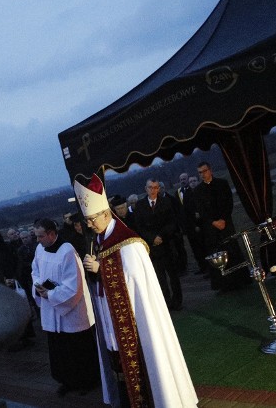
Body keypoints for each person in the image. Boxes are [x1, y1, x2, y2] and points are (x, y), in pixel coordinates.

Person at [74, 174, 197, 408]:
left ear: (105, 213)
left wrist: (101, 269)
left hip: (137, 326)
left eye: (91, 219)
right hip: (112, 323)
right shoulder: (100, 240)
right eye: (87, 220)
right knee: (118, 368)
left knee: (144, 370)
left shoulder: (129, 242)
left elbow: (134, 283)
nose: (89, 225)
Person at [31, 218, 99, 397]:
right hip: (51, 309)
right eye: (36, 236)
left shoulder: (67, 251)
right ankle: (66, 380)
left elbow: (74, 284)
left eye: (40, 236)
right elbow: (35, 271)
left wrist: (51, 294)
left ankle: (88, 380)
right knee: (59, 350)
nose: (37, 240)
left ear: (52, 234)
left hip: (72, 310)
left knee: (78, 348)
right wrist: (38, 286)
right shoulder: (39, 249)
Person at [194, 162, 250, 290]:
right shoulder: (197, 191)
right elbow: (201, 210)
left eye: (205, 171)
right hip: (211, 227)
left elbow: (228, 203)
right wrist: (213, 222)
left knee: (232, 249)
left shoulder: (222, 183)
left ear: (210, 170)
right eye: (200, 172)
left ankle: (240, 279)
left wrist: (223, 219)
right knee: (216, 253)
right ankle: (223, 284)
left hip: (226, 224)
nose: (203, 174)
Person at [133, 178, 183, 310]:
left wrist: (161, 236)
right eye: (150, 187)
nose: (153, 190)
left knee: (173, 276)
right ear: (146, 189)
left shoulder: (167, 202)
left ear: (159, 189)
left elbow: (172, 222)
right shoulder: (140, 205)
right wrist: (152, 238)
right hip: (152, 248)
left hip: (167, 244)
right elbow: (139, 226)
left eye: (155, 187)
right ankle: (165, 302)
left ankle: (177, 301)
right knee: (159, 278)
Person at [176, 173, 207, 275]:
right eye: (181, 179)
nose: (183, 181)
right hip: (188, 226)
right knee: (195, 248)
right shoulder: (179, 193)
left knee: (202, 246)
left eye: (185, 179)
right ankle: (202, 267)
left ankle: (207, 268)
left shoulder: (194, 191)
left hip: (198, 224)